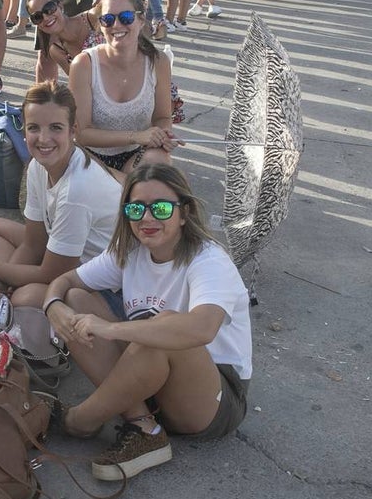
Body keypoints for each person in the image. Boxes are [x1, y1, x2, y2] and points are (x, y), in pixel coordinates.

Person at [41, 163, 252, 481]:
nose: (147, 218)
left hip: (211, 397)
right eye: (136, 208)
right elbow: (67, 281)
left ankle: (78, 421)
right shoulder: (131, 251)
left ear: (184, 213)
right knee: (76, 301)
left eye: (162, 208)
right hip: (155, 374)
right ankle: (143, 427)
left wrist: (110, 329)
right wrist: (53, 306)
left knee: (163, 329)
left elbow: (201, 328)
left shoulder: (209, 261)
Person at [0, 82, 123, 299]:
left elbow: (52, 274)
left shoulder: (77, 191)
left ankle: (12, 302)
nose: (43, 139)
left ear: (73, 130)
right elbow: (34, 244)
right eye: (34, 128)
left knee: (26, 297)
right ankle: (4, 297)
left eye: (56, 128)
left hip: (104, 284)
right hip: (67, 258)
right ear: (24, 131)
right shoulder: (38, 166)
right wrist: (1, 282)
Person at [69, 0, 178, 174]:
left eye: (126, 17)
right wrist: (136, 136)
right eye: (108, 20)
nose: (116, 26)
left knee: (159, 159)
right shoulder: (84, 64)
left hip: (136, 154)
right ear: (100, 25)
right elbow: (82, 134)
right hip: (91, 156)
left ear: (141, 19)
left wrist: (163, 134)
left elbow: (162, 117)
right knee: (125, 190)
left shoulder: (158, 62)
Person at [29, 0, 104, 82]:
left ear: (60, 6)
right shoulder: (56, 50)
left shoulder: (93, 17)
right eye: (37, 17)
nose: (45, 17)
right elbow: (78, 81)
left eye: (49, 9)